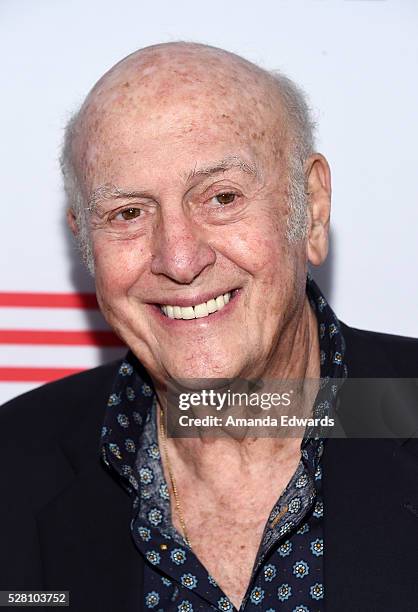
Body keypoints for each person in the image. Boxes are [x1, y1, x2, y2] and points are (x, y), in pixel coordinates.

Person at [0, 42, 417, 612]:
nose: (178, 257)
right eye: (128, 213)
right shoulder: (13, 464)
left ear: (311, 207)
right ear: (85, 243)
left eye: (222, 197)